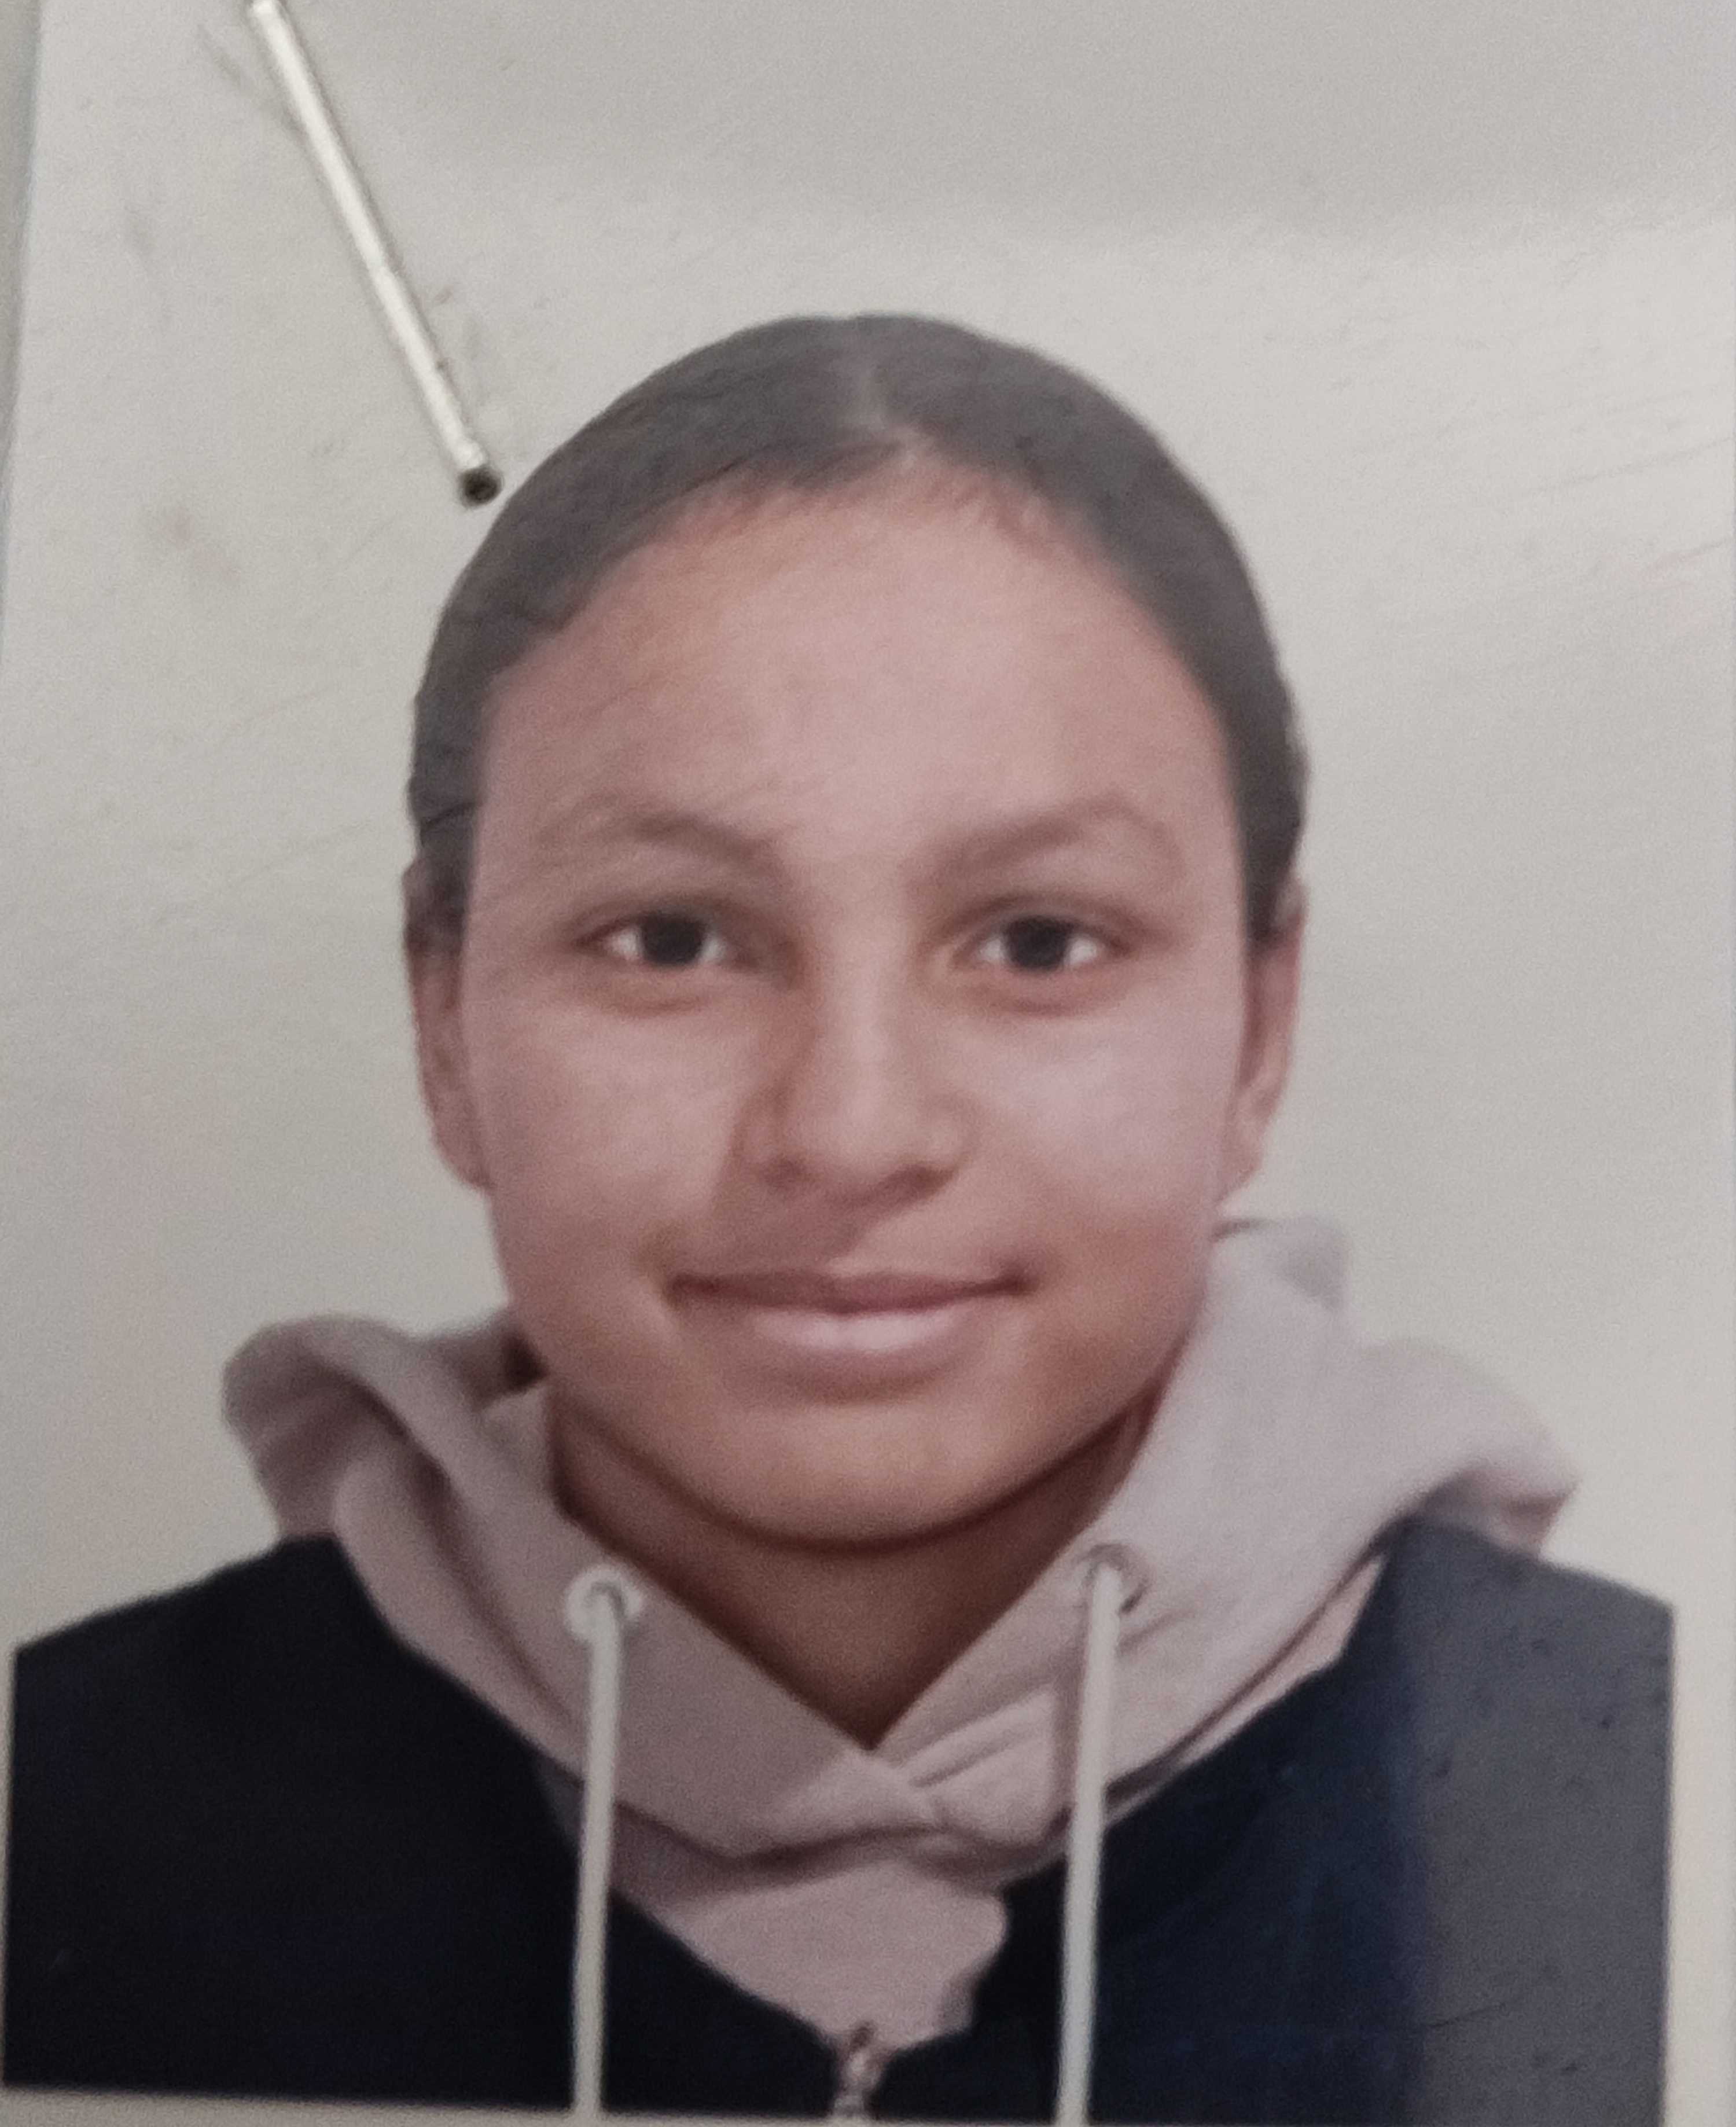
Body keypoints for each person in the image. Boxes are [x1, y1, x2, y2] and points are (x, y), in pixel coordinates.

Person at [3, 316, 1668, 2123]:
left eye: (1040, 940)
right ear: (444, 1024)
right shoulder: (62, 1812)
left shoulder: (1652, 1809)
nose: (852, 1130)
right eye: (671, 940)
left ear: (1259, 1033)